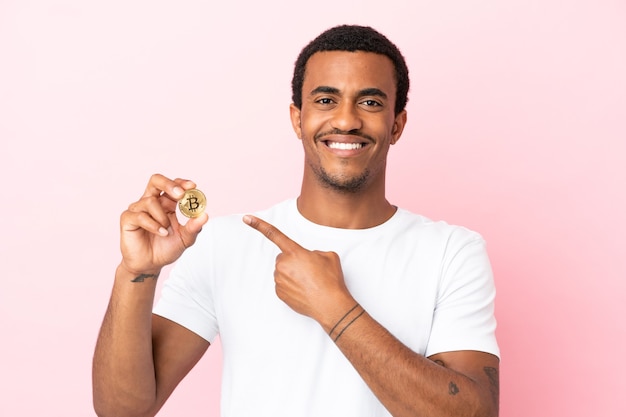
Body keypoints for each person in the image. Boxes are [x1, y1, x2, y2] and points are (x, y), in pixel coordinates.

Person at [92, 24, 500, 417]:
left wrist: (335, 309)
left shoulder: (452, 252)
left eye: (370, 102)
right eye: (326, 100)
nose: (345, 120)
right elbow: (123, 408)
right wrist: (135, 274)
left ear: (397, 125)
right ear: (297, 118)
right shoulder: (223, 243)